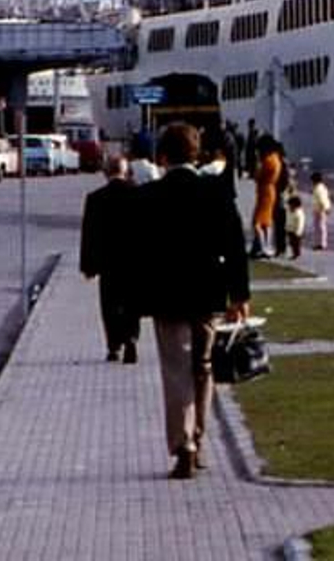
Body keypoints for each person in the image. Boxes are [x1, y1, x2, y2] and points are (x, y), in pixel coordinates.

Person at [137, 123, 249, 480]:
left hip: (168, 296)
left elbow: (136, 254)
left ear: (163, 157)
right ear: (196, 154)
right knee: (203, 367)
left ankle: (183, 445)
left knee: (176, 371)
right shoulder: (216, 192)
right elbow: (235, 246)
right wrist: (240, 294)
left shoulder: (149, 196)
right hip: (208, 294)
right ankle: (198, 439)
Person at [79, 155, 141, 363]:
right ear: (125, 172)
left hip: (108, 263)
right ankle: (131, 338)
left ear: (105, 173)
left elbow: (89, 234)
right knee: (132, 302)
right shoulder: (138, 195)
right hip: (133, 261)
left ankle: (113, 345)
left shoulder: (95, 198)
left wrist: (88, 266)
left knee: (110, 305)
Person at [250, 135, 283, 258]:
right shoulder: (276, 158)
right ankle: (266, 245)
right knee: (267, 221)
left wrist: (257, 164)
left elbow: (257, 175)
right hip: (270, 190)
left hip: (265, 191)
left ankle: (264, 247)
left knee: (257, 222)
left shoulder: (268, 161)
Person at [309, 171, 332, 250]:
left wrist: (325, 208)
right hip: (319, 209)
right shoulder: (322, 187)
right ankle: (319, 243)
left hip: (320, 210)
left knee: (320, 227)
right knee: (319, 227)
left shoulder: (319, 188)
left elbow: (322, 199)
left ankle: (321, 244)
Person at [283, 194, 306, 259]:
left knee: (296, 243)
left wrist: (298, 232)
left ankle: (296, 254)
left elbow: (300, 223)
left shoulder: (299, 213)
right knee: (291, 243)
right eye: (289, 205)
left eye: (291, 205)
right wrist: (286, 227)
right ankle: (294, 253)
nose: (290, 206)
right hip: (290, 229)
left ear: (296, 205)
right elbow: (288, 220)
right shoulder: (289, 211)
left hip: (296, 231)